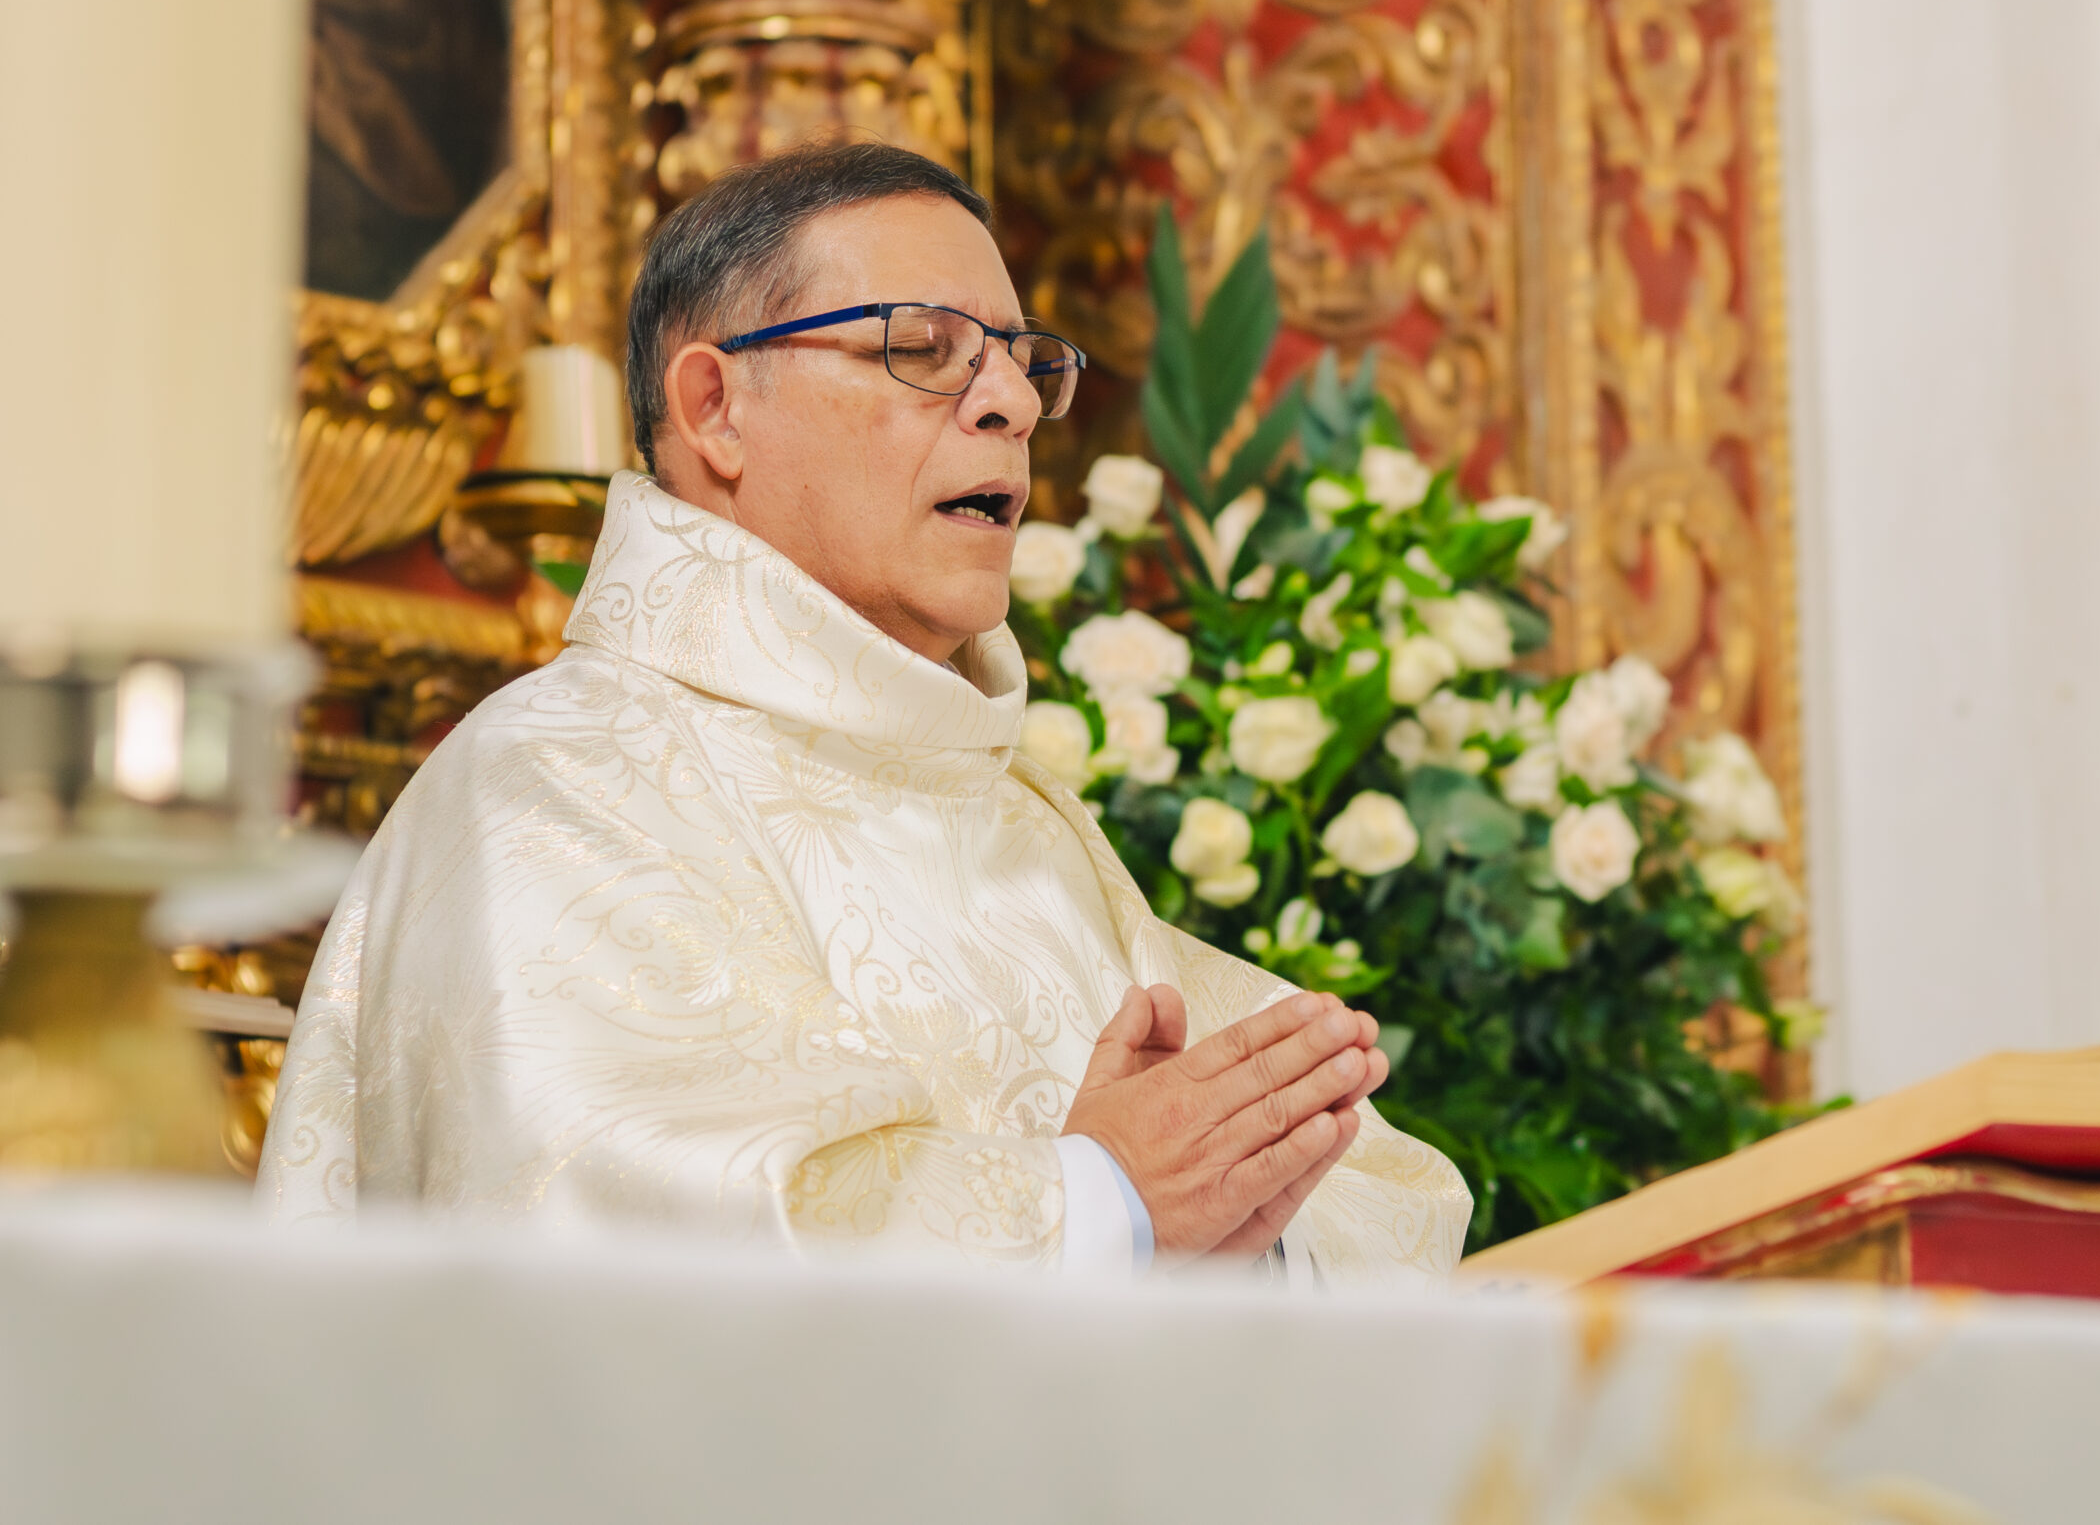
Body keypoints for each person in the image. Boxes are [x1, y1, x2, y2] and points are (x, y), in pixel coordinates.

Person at [259, 142, 1471, 1284]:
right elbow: (620, 1259)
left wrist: (1228, 1214)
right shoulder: (559, 781)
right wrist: (1096, 1207)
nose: (1010, 402)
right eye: (924, 347)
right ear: (716, 408)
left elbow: (1375, 1203)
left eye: (1019, 358)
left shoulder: (1020, 819)